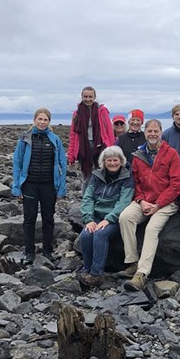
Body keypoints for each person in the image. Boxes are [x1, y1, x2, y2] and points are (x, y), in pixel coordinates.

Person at [118, 119, 180, 291]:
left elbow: (176, 185)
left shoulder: (171, 154)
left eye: (156, 131)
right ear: (145, 133)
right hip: (145, 200)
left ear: (161, 132)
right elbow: (136, 183)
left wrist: (158, 204)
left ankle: (141, 273)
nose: (153, 134)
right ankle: (132, 262)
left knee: (151, 229)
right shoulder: (138, 155)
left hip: (166, 203)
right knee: (125, 217)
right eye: (150, 131)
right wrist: (141, 200)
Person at [12, 108, 67, 264]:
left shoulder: (55, 139)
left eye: (45, 120)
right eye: (40, 119)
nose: (42, 122)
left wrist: (61, 187)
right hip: (30, 184)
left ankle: (48, 251)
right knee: (29, 219)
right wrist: (17, 187)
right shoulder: (25, 138)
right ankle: (29, 252)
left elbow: (63, 163)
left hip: (49, 185)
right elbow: (17, 162)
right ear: (34, 120)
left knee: (48, 218)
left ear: (49, 122)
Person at [78, 146, 134, 287]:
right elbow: (88, 198)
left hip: (114, 218)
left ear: (121, 161)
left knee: (100, 234)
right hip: (96, 215)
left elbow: (124, 202)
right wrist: (89, 219)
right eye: (109, 160)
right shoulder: (96, 176)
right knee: (85, 234)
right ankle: (87, 268)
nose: (112, 163)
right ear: (104, 161)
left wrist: (109, 219)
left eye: (116, 160)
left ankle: (96, 274)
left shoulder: (127, 177)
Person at [68, 86, 114, 193]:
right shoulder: (77, 113)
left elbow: (109, 131)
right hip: (84, 147)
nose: (88, 99)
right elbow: (73, 134)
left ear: (95, 97)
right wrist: (71, 155)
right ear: (81, 97)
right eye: (85, 97)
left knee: (102, 173)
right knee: (86, 177)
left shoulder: (102, 111)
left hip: (100, 145)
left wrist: (112, 149)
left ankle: (101, 199)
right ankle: (85, 201)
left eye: (90, 97)